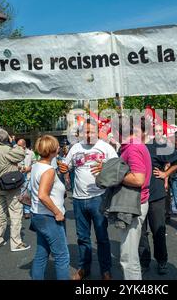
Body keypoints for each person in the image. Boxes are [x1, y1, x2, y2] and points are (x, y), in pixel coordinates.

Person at [58, 119, 117, 280]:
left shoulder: (106, 148)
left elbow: (118, 168)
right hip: (78, 199)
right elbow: (66, 166)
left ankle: (106, 270)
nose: (89, 135)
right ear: (81, 133)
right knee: (82, 237)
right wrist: (63, 168)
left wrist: (105, 168)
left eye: (92, 131)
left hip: (99, 198)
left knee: (102, 237)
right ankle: (84, 268)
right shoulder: (75, 148)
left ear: (98, 132)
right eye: (86, 132)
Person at [139, 124, 177, 276]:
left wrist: (165, 174)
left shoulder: (157, 145)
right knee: (141, 233)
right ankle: (144, 261)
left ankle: (162, 261)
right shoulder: (130, 147)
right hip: (137, 197)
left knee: (158, 230)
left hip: (156, 196)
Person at [30, 135, 70, 280]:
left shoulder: (36, 166)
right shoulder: (48, 170)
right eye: (57, 145)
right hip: (48, 217)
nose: (59, 147)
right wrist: (57, 212)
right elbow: (43, 195)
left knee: (42, 253)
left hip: (39, 215)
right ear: (52, 149)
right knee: (62, 256)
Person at [118, 115, 152, 280]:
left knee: (128, 256)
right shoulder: (135, 146)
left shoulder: (132, 148)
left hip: (134, 204)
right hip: (135, 202)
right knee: (129, 254)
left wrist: (114, 174)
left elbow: (138, 179)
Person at [0, 128, 30, 252]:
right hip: (11, 185)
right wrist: (13, 143)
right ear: (5, 138)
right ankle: (16, 243)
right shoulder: (7, 149)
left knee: (0, 213)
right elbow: (21, 154)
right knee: (16, 213)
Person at [17, 139, 36, 219]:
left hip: (28, 176)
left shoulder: (31, 153)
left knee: (27, 193)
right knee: (19, 193)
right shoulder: (15, 153)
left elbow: (35, 163)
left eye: (19, 145)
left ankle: (27, 211)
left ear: (24, 145)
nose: (17, 147)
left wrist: (29, 168)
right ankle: (19, 211)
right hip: (18, 176)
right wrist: (18, 167)